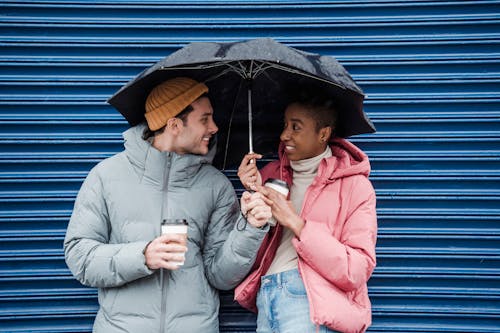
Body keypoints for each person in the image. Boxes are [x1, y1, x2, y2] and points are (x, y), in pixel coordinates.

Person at [64, 77, 272, 333]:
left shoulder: (216, 186)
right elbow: (80, 257)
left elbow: (221, 276)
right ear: (174, 125)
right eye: (204, 119)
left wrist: (250, 228)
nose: (215, 127)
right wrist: (143, 256)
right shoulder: (106, 176)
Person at [235, 89, 378, 333]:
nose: (284, 135)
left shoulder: (355, 186)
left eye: (296, 127)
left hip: (308, 302)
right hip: (266, 294)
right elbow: (250, 256)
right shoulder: (269, 176)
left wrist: (297, 223)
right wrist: (252, 204)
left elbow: (356, 269)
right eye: (284, 125)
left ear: (323, 133)